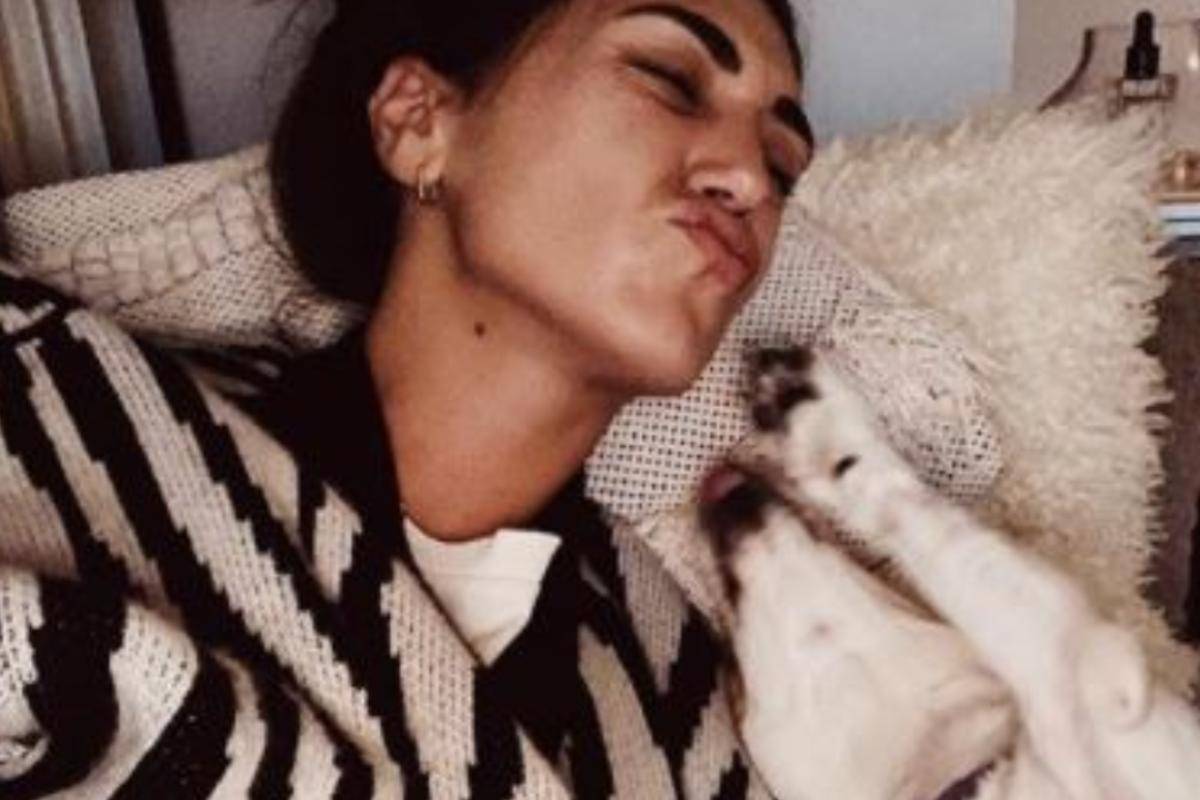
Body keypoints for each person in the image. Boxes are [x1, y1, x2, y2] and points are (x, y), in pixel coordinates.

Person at [0, 0, 812, 796]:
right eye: (669, 79)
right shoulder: (71, 430)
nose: (750, 180)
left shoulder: (670, 684)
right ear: (416, 123)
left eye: (783, 165)